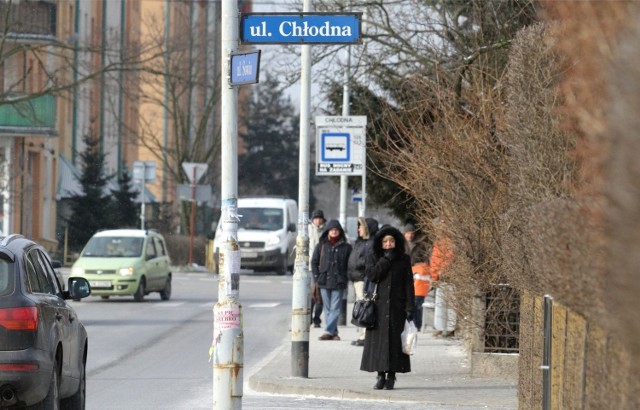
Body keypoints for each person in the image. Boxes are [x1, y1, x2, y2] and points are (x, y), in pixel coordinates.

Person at [360, 225, 415, 390]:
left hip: (396, 307)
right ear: (380, 243)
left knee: (393, 343)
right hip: (377, 307)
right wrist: (386, 259)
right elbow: (372, 275)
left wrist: (409, 307)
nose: (388, 244)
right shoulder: (374, 256)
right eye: (385, 241)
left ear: (396, 242)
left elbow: (408, 284)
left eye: (391, 240)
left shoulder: (403, 259)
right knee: (378, 343)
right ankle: (380, 376)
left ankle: (391, 376)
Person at [311, 219, 352, 341]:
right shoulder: (321, 246)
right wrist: (317, 277)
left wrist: (346, 277)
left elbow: (350, 264)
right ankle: (334, 333)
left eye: (336, 230)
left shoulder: (346, 247)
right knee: (327, 308)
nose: (334, 232)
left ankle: (328, 331)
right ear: (328, 231)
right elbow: (314, 262)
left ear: (340, 231)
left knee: (335, 308)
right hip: (324, 281)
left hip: (339, 282)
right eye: (332, 230)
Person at [347, 217, 379, 346]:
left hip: (364, 279)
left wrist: (359, 264)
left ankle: (365, 336)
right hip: (357, 279)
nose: (358, 229)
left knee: (365, 308)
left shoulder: (371, 243)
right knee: (361, 307)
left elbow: (369, 261)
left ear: (367, 228)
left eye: (361, 226)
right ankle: (362, 335)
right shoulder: (360, 242)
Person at [431, 219, 455, 337]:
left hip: (447, 277)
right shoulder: (438, 242)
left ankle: (450, 328)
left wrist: (440, 272)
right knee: (441, 303)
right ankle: (442, 327)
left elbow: (449, 259)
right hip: (440, 276)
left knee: (449, 303)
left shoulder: (449, 242)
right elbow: (435, 261)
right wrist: (435, 275)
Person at [308, 209, 326, 328]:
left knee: (320, 294)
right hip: (310, 267)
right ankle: (309, 317)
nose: (318, 221)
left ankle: (317, 318)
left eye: (320, 218)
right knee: (311, 294)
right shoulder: (307, 230)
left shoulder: (327, 230)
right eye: (316, 218)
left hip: (324, 267)